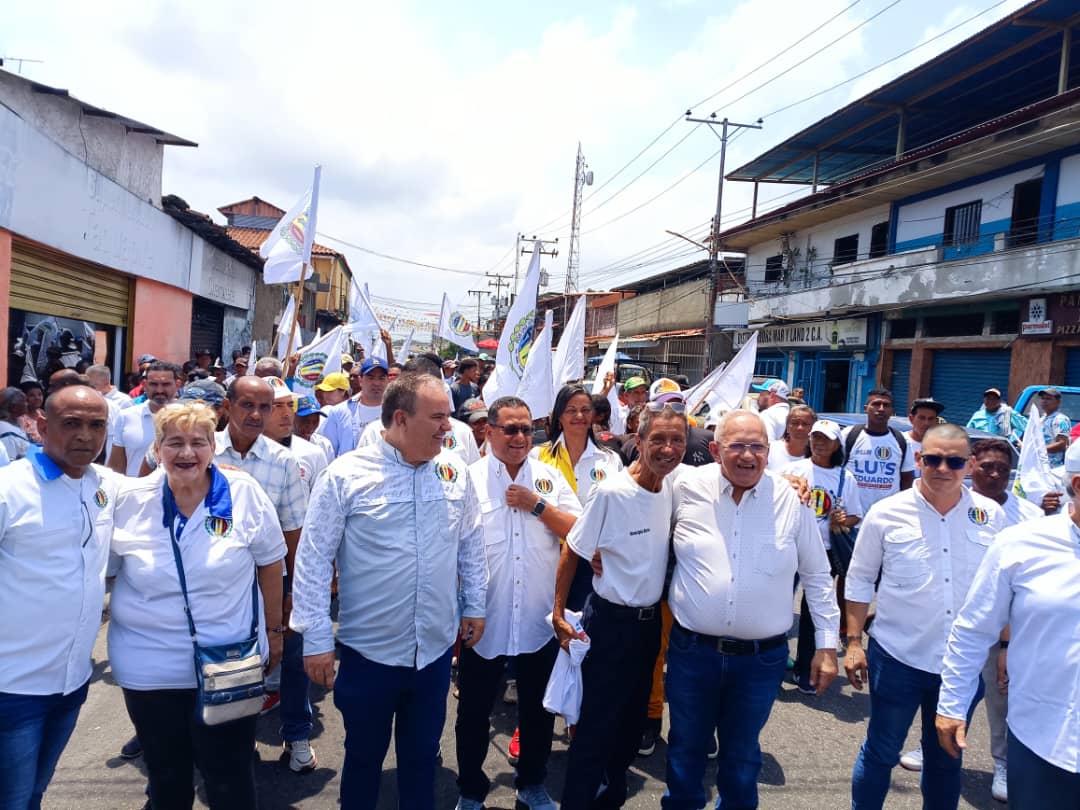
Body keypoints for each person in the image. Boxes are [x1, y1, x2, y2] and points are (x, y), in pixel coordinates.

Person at [289, 373, 487, 810]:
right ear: (400, 419)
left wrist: (475, 604)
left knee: (421, 762)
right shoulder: (345, 475)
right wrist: (317, 638)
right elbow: (313, 558)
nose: (448, 428)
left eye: (448, 417)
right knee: (363, 761)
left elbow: (470, 540)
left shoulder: (454, 472)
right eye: (437, 417)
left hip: (433, 653)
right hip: (368, 656)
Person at [108, 402, 286, 810]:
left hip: (230, 661)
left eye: (197, 442)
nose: (186, 453)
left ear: (212, 448)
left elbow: (271, 562)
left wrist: (275, 634)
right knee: (167, 779)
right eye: (174, 443)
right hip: (149, 668)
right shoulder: (130, 500)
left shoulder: (243, 492)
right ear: (156, 449)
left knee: (230, 778)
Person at [662, 410, 839, 809]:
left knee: (742, 760)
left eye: (757, 446)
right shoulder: (684, 486)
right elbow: (641, 509)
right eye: (736, 446)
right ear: (714, 450)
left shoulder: (791, 501)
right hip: (693, 654)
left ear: (768, 451)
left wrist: (827, 647)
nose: (747, 456)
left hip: (760, 663)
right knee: (686, 752)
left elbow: (817, 575)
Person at [845, 423, 1008, 810]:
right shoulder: (886, 513)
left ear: (968, 465)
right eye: (933, 459)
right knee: (881, 751)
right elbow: (860, 578)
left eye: (953, 461)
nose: (942, 468)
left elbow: (1002, 589)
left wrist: (1005, 646)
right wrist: (853, 643)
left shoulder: (991, 515)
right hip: (898, 657)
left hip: (962, 667)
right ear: (919, 460)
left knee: (946, 760)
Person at [554, 401, 687, 809]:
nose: (668, 448)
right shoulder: (612, 490)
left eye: (677, 440)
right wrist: (558, 613)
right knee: (595, 730)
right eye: (658, 439)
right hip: (609, 625)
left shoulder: (675, 487)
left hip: (648, 630)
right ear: (639, 440)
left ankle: (608, 799)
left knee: (630, 732)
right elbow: (574, 549)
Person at [935, 439, 1080, 810]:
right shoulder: (1022, 543)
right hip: (1042, 741)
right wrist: (952, 705)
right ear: (1077, 486)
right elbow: (973, 629)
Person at [899, 437, 1046, 800]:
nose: (995, 474)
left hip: (1004, 631)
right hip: (955, 625)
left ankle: (1003, 763)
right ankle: (933, 743)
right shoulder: (951, 502)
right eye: (987, 466)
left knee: (1000, 698)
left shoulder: (1030, 516)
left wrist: (1010, 643)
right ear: (971, 464)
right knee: (945, 687)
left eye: (1003, 469)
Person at [455, 397, 581, 810]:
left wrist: (536, 504)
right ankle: (471, 790)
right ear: (488, 432)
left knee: (538, 713)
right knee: (473, 714)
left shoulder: (548, 478)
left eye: (527, 429)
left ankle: (532, 784)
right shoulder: (466, 479)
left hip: (538, 619)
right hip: (482, 620)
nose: (520, 437)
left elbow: (578, 532)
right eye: (510, 429)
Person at [0, 385, 117, 809]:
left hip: (71, 684)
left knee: (34, 792)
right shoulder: (9, 489)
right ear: (43, 426)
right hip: (12, 687)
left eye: (96, 425)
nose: (85, 435)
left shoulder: (103, 484)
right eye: (72, 424)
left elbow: (167, 481)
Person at [214, 376, 313, 772]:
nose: (256, 415)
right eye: (247, 405)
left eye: (265, 407)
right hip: (220, 584)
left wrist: (293, 592)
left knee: (290, 656)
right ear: (227, 405)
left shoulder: (283, 461)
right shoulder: (202, 449)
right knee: (230, 662)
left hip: (274, 578)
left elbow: (294, 531)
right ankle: (236, 741)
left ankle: (297, 734)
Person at [782, 419, 863, 694]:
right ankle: (776, 662)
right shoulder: (793, 470)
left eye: (825, 439)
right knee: (779, 607)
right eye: (815, 437)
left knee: (812, 612)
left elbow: (855, 515)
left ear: (837, 444)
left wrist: (843, 519)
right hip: (790, 546)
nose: (818, 442)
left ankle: (805, 670)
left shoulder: (845, 477)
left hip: (823, 552)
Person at [532, 384, 625, 611]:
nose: (579, 416)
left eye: (585, 409)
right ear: (559, 416)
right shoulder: (537, 457)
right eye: (571, 410)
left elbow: (621, 513)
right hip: (545, 559)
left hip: (592, 563)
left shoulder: (610, 460)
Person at [842, 388, 915, 513]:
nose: (881, 409)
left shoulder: (902, 440)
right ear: (866, 408)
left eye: (886, 405)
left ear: (892, 411)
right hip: (851, 518)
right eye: (876, 404)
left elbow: (907, 479)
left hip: (886, 518)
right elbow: (833, 469)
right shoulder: (848, 435)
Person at [108, 362, 181, 477]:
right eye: (153, 384)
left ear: (177, 384)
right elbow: (116, 469)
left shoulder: (190, 419)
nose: (159, 390)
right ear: (144, 384)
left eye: (166, 384)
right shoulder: (126, 416)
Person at [318, 357, 389, 457]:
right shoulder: (338, 412)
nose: (376, 383)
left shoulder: (398, 414)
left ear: (388, 380)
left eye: (381, 378)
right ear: (360, 380)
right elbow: (328, 452)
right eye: (370, 377)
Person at [766, 404, 815, 471]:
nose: (800, 428)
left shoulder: (817, 457)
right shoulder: (770, 450)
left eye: (805, 424)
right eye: (795, 423)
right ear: (787, 427)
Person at [1038, 386, 1072, 468]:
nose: (1044, 401)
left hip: (1053, 467)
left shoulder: (1061, 420)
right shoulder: (1042, 419)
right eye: (1043, 398)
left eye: (1048, 399)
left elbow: (1062, 444)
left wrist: (1038, 450)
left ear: (1058, 402)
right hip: (1040, 465)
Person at [293, 396, 334, 461]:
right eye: (305, 421)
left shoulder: (324, 444)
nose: (310, 426)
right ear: (292, 417)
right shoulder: (282, 444)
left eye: (315, 421)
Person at [0, 387, 31, 460]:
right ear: (14, 407)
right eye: (24, 401)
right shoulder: (6, 433)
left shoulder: (15, 423)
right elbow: (9, 464)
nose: (27, 404)